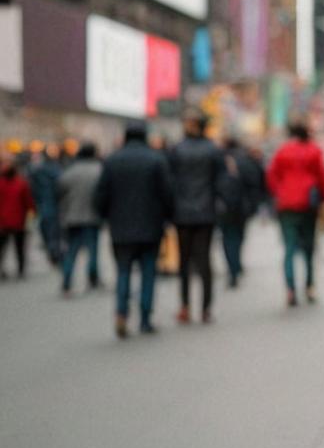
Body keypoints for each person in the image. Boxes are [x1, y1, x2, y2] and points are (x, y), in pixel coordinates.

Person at [93, 120, 174, 337]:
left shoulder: (112, 161)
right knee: (148, 272)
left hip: (120, 228)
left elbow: (101, 195)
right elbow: (167, 193)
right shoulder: (156, 159)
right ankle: (145, 318)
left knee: (123, 272)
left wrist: (105, 217)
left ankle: (121, 314)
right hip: (150, 227)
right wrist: (168, 218)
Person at [266, 118, 324, 307]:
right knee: (309, 246)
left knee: (289, 248)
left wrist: (279, 192)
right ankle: (309, 286)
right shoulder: (314, 150)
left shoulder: (282, 151)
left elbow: (271, 176)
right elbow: (322, 178)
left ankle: (290, 289)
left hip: (286, 204)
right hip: (308, 205)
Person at [169, 109, 226, 324]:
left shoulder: (177, 149)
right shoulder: (212, 150)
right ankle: (206, 308)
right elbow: (222, 181)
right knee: (204, 261)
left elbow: (170, 182)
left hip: (182, 213)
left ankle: (185, 306)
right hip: (206, 212)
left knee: (184, 261)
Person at [58, 142, 104, 293]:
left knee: (72, 251)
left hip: (72, 217)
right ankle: (93, 279)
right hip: (92, 217)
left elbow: (60, 191)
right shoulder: (99, 170)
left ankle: (66, 280)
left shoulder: (70, 171)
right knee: (93, 251)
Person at [218, 137, 262, 288]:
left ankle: (232, 267)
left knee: (227, 238)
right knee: (238, 236)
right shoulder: (246, 162)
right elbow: (255, 185)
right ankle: (235, 265)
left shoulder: (219, 161)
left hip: (224, 208)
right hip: (242, 208)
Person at [0, 154, 34, 279]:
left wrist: (31, 214)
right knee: (5, 248)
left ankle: (21, 269)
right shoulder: (19, 183)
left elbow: (28, 201)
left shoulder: (21, 183)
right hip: (7, 221)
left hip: (16, 221)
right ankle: (14, 270)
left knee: (18, 247)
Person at [28, 143, 63, 266]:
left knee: (48, 230)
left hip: (45, 204)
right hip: (52, 204)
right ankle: (55, 252)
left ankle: (53, 252)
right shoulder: (56, 171)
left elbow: (33, 190)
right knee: (54, 231)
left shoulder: (36, 172)